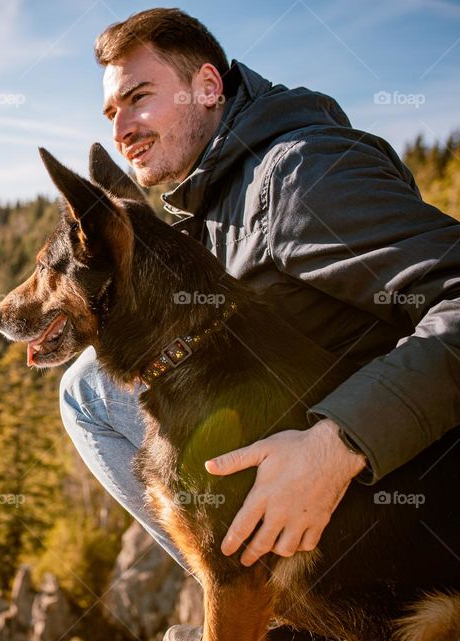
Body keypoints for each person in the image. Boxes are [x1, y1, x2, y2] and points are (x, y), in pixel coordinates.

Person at [58, 7, 460, 639]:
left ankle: (271, 593)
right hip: (308, 429)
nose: (124, 129)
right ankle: (260, 591)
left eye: (139, 98)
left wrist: (339, 445)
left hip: (400, 499)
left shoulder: (303, 178)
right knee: (88, 385)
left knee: (86, 392)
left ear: (209, 87)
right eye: (112, 114)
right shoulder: (209, 192)